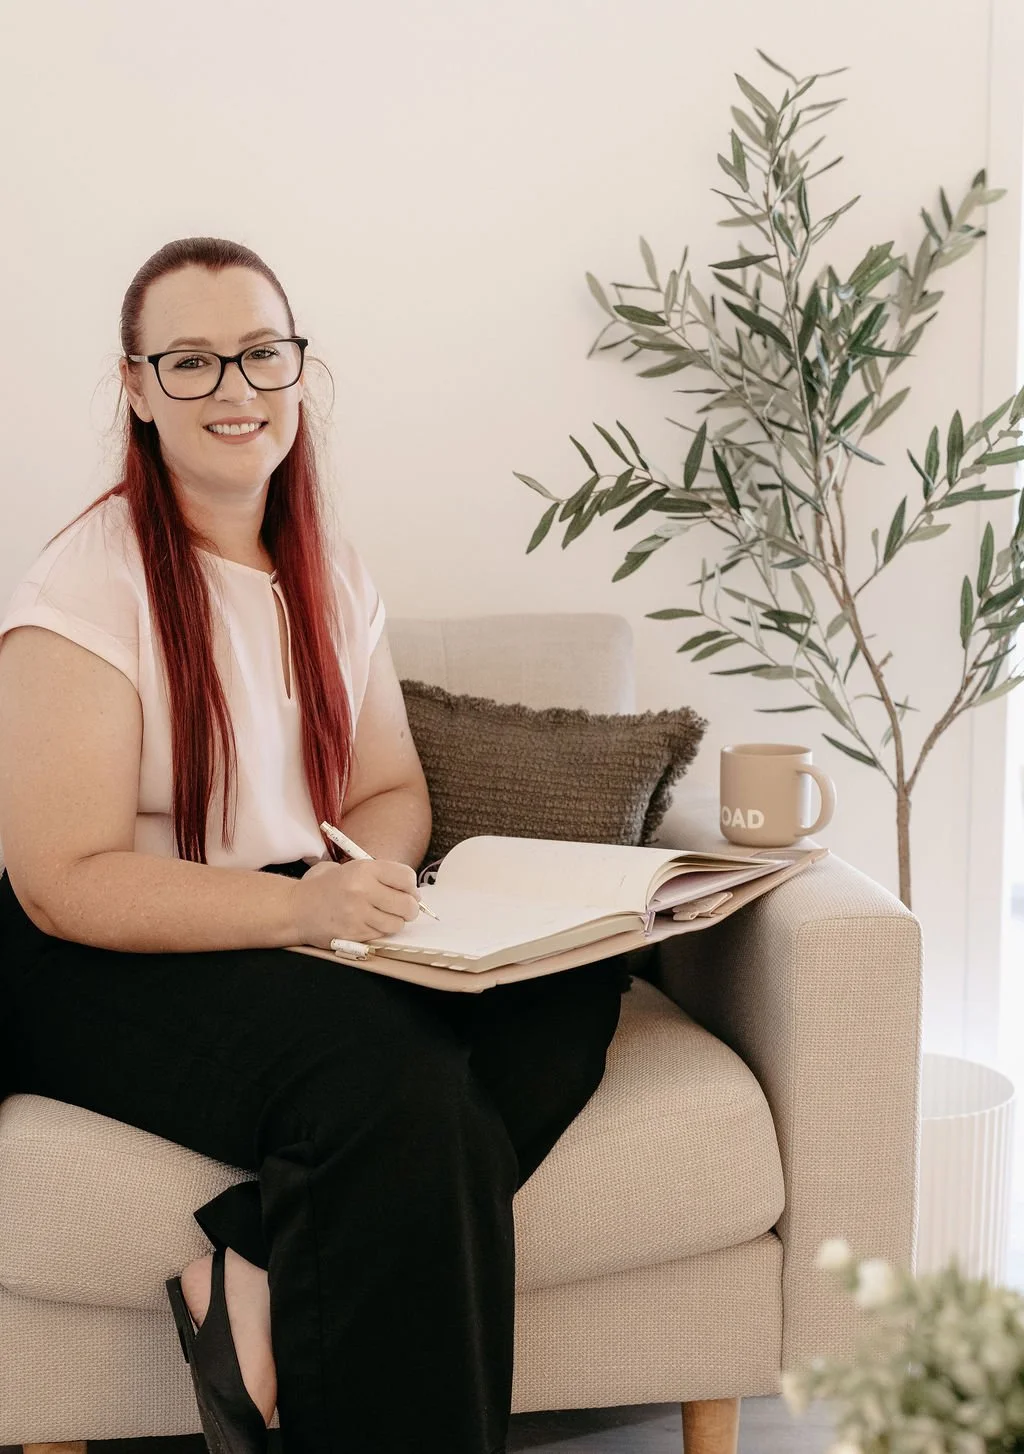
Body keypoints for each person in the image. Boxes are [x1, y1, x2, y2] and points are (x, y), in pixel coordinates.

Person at [0, 236, 635, 1454]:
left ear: (301, 369)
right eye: (190, 362)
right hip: (108, 948)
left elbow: (390, 782)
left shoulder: (330, 571)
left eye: (260, 354)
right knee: (398, 1086)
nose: (233, 389)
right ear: (135, 386)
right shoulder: (86, 586)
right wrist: (300, 913)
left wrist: (373, 878)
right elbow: (60, 879)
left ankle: (255, 1249)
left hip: (294, 913)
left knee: (574, 977)